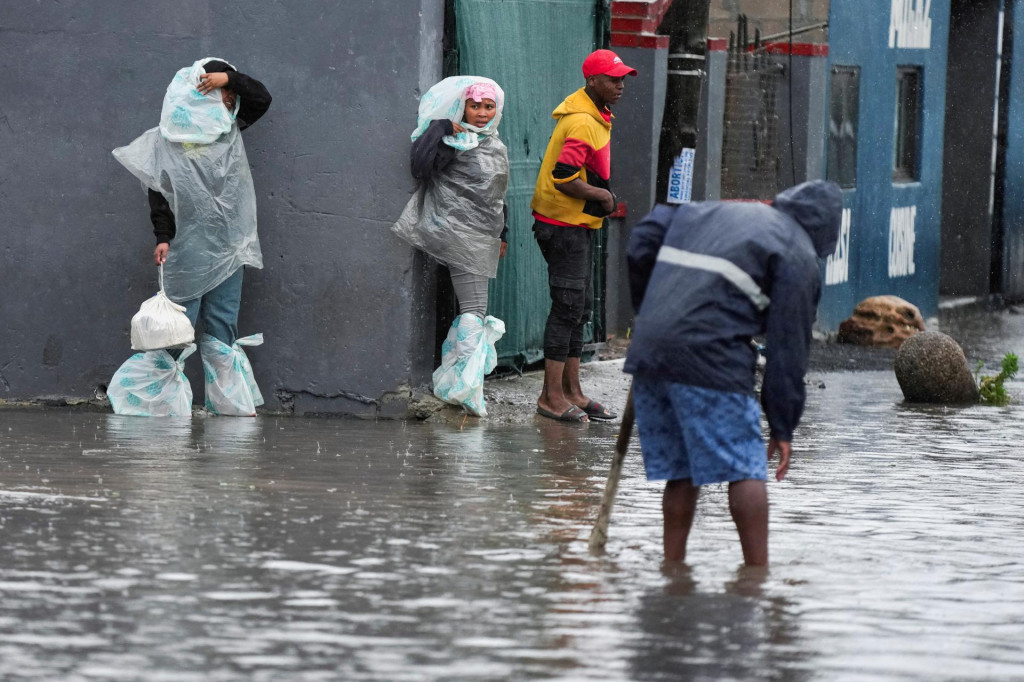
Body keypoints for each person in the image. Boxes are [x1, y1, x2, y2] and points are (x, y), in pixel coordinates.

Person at [624, 180, 843, 566]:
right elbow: (788, 347)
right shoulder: (797, 252)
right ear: (824, 235)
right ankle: (757, 580)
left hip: (651, 352)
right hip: (710, 357)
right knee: (746, 467)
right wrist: (782, 424)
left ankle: (672, 570)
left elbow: (644, 237)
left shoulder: (716, 211)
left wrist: (651, 312)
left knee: (682, 469)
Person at [112, 57, 272, 416]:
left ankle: (229, 406)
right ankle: (152, 405)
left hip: (229, 247)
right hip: (187, 248)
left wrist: (228, 78)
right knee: (175, 332)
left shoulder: (227, 133)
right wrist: (163, 236)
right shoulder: (167, 141)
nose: (231, 102)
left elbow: (261, 99)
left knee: (221, 328)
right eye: (224, 95)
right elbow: (159, 192)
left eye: (230, 95)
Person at [391, 76, 510, 417]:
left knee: (468, 308)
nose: (483, 113)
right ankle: (467, 388)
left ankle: (458, 380)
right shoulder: (452, 137)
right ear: (463, 107)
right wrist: (441, 127)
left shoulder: (493, 143)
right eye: (475, 106)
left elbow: (496, 195)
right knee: (474, 310)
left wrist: (503, 235)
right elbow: (421, 166)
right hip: (460, 234)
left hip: (481, 235)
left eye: (489, 107)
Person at [530, 49, 636, 423]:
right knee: (567, 308)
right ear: (593, 81)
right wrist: (602, 196)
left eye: (622, 78)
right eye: (613, 79)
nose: (620, 85)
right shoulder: (582, 123)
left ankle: (572, 391)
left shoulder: (596, 115)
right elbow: (563, 177)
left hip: (576, 225)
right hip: (562, 226)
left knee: (580, 309)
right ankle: (550, 397)